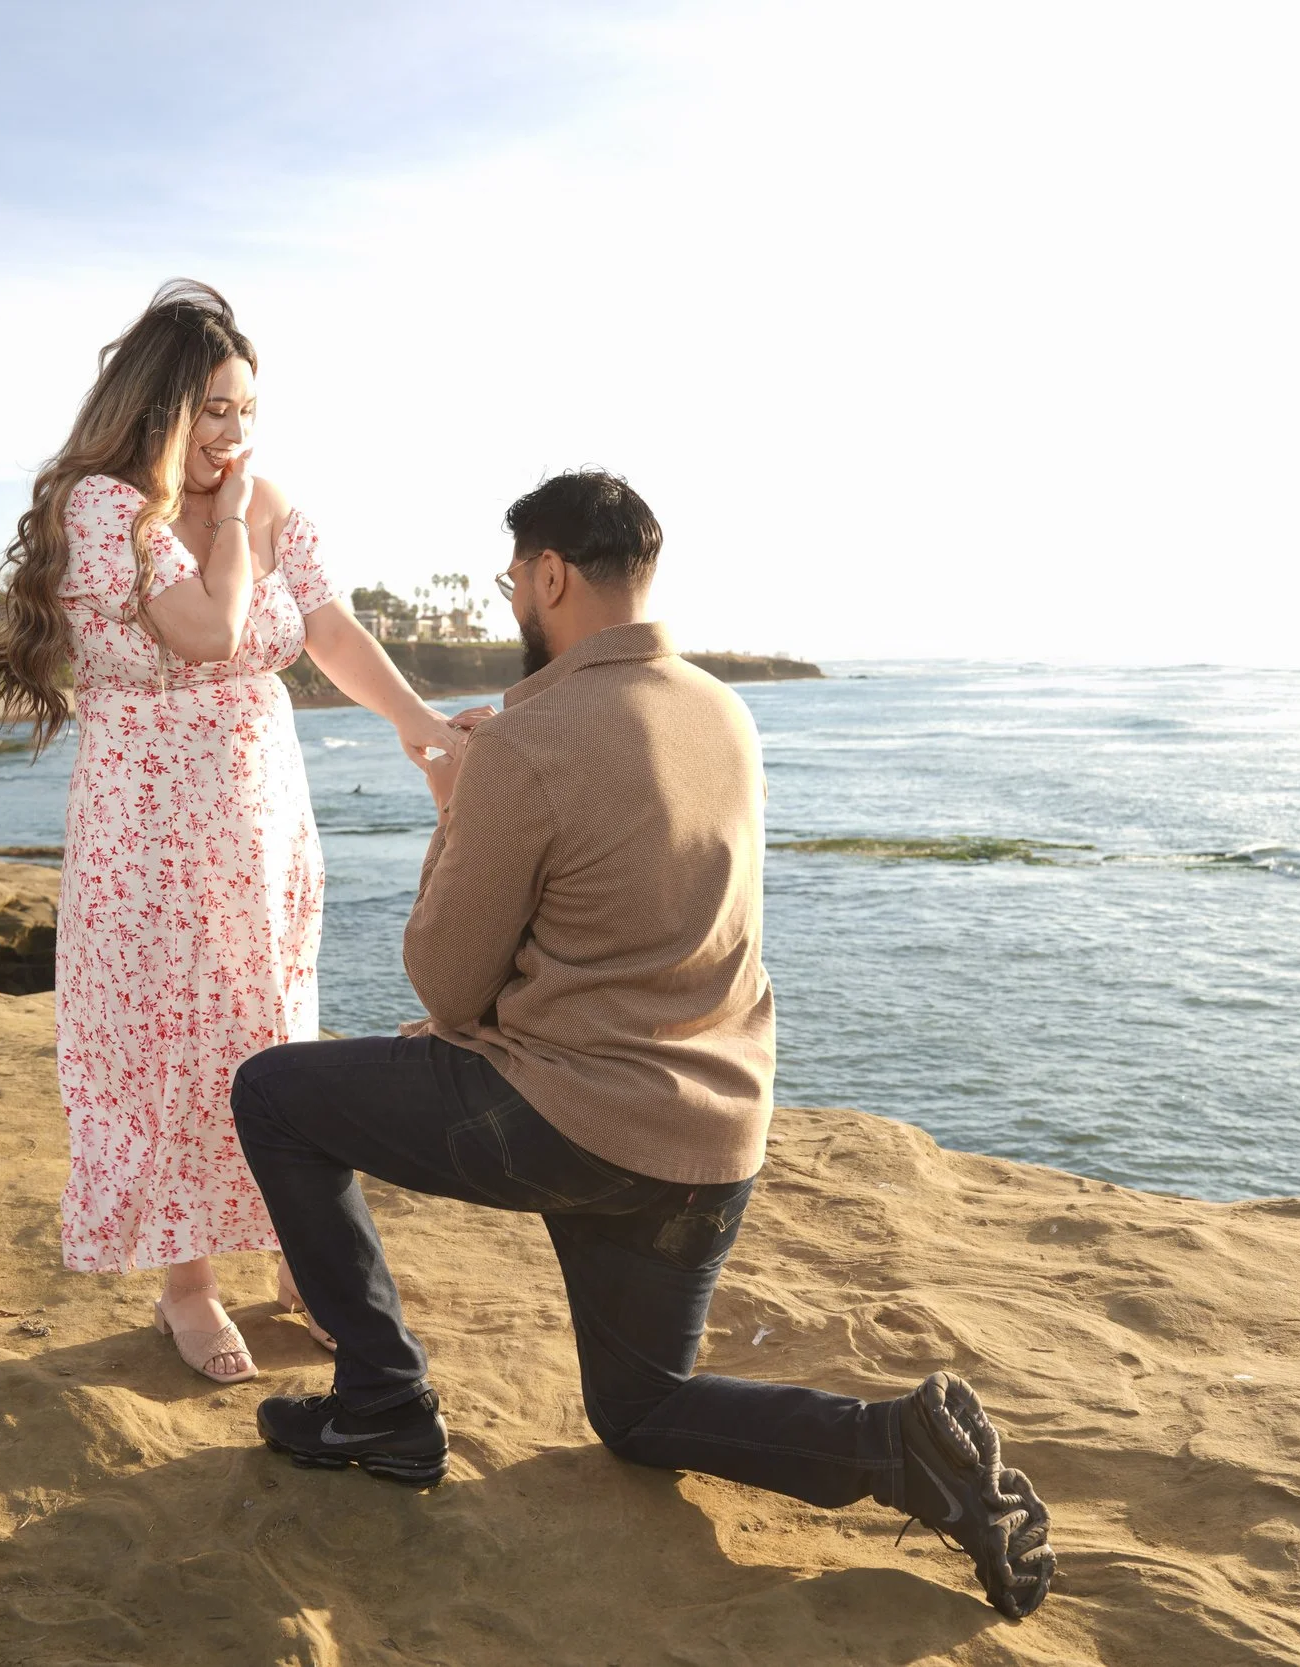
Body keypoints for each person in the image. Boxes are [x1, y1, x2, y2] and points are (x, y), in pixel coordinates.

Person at [229, 470, 1056, 1619]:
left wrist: (460, 795)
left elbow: (444, 981)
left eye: (514, 575)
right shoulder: (725, 712)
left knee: (272, 1091)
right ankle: (898, 1449)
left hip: (564, 1124)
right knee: (640, 1411)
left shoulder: (529, 738)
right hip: (712, 1138)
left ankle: (378, 1397)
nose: (511, 594)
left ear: (552, 575)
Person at [0, 280, 460, 1384]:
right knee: (163, 1046)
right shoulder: (104, 510)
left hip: (259, 814)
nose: (235, 436)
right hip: (145, 830)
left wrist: (420, 725)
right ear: (153, 411)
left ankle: (303, 1254)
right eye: (213, 412)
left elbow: (329, 630)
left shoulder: (266, 496)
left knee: (271, 1026)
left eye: (247, 411)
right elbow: (209, 630)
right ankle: (184, 1288)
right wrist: (235, 524)